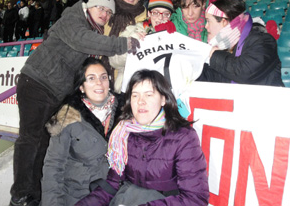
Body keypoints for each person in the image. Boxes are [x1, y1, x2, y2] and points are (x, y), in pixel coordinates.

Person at [9, 0, 141, 206]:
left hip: (55, 92)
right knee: (30, 139)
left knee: (44, 142)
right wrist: (123, 43)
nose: (105, 14)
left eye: (109, 12)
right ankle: (21, 194)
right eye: (101, 8)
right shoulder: (74, 17)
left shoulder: (91, 29)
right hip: (36, 83)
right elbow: (82, 40)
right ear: (89, 6)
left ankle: (35, 193)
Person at [76, 69, 209, 206]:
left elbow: (195, 199)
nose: (141, 102)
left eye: (149, 95)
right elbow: (113, 185)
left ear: (163, 99)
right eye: (135, 96)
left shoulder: (183, 137)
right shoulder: (123, 133)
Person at [41, 57, 123, 206]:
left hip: (117, 194)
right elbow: (53, 166)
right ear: (82, 87)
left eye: (103, 77)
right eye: (91, 78)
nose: (99, 82)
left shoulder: (126, 112)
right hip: (78, 195)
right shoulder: (67, 116)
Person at [197, 0, 284, 86]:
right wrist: (196, 72)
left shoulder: (263, 41)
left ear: (224, 22)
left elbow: (245, 73)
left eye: (208, 21)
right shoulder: (225, 47)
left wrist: (215, 55)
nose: (206, 26)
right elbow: (219, 77)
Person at [109, 0, 175, 93]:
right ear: (149, 13)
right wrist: (131, 44)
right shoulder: (132, 31)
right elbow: (113, 61)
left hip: (160, 92)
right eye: (156, 12)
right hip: (130, 92)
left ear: (170, 16)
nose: (160, 18)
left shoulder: (174, 36)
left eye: (166, 14)